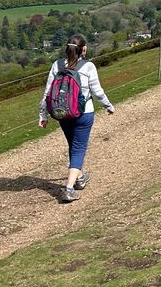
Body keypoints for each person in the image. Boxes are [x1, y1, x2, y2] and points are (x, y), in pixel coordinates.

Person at [39, 34, 115, 202]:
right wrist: (108, 106)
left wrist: (43, 115)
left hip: (62, 114)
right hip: (84, 113)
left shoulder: (57, 65)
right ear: (84, 49)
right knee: (79, 148)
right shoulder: (88, 66)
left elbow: (48, 93)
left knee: (73, 145)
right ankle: (69, 188)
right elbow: (97, 91)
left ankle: (80, 178)